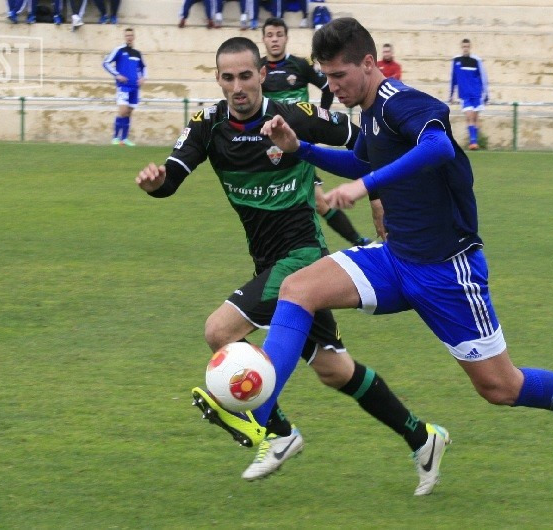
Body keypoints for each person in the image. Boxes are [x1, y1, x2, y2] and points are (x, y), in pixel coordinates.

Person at [200, 18, 553, 496]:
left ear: (369, 64)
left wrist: (365, 187)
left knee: (500, 388)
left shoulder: (400, 101)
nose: (333, 87)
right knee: (297, 288)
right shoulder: (369, 113)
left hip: (447, 271)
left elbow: (437, 146)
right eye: (327, 76)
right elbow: (361, 161)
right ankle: (264, 411)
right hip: (394, 258)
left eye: (340, 75)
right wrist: (301, 148)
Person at [136, 37, 431, 486]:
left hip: (302, 256)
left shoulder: (294, 116)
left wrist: (378, 195)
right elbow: (171, 178)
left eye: (246, 75)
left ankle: (277, 432)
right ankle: (422, 437)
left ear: (261, 75)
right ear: (218, 79)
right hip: (266, 262)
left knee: (220, 330)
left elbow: (365, 141)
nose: (238, 86)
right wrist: (156, 182)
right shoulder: (207, 125)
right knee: (335, 370)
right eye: (228, 78)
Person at [261, 17, 372, 247]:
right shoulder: (258, 70)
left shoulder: (299, 65)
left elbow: (325, 87)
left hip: (299, 146)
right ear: (263, 39)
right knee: (287, 204)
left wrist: (321, 115)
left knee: (318, 203)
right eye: (270, 35)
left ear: (286, 38)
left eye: (279, 34)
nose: (275, 40)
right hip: (272, 148)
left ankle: (357, 241)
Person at [103, 28, 145, 146]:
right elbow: (106, 63)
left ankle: (124, 138)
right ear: (124, 37)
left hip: (135, 87)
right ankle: (115, 138)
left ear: (134, 37)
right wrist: (117, 75)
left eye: (131, 35)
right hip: (123, 86)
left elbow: (143, 68)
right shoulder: (119, 50)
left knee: (129, 112)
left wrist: (143, 78)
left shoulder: (137, 53)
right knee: (122, 111)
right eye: (127, 35)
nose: (129, 37)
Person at [448, 38, 488, 150]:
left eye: (467, 47)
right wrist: (451, 94)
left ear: (470, 47)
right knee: (469, 116)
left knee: (475, 118)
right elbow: (453, 78)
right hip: (465, 94)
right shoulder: (456, 60)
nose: (465, 49)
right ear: (462, 47)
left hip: (476, 93)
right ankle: (473, 142)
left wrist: (486, 94)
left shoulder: (476, 60)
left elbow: (483, 77)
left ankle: (475, 141)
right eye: (464, 47)